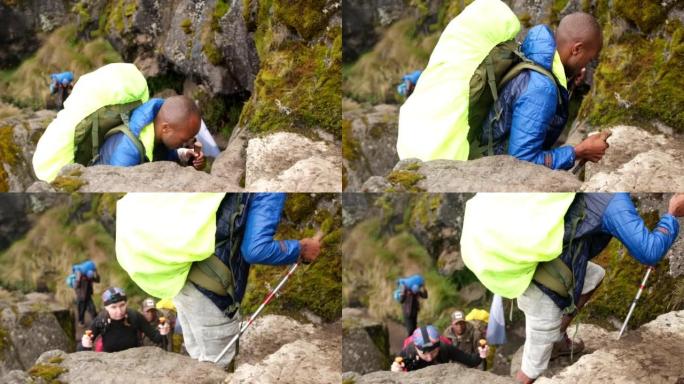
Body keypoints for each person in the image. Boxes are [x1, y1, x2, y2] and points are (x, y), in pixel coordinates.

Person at [115, 193, 323, 370]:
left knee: (198, 358)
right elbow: (256, 250)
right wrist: (300, 249)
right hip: (210, 290)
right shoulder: (269, 185)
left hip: (179, 278)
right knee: (217, 367)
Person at [514, 193, 684, 383]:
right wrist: (671, 213)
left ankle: (556, 340)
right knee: (530, 370)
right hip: (544, 288)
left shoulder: (595, 188)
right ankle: (544, 347)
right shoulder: (615, 201)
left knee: (594, 275)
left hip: (552, 264)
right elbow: (649, 252)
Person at [480, 12, 609, 170]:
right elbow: (521, 163)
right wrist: (578, 152)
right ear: (576, 49)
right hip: (494, 171)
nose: (584, 67)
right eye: (588, 60)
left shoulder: (535, 54)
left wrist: (567, 82)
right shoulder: (542, 89)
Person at [96, 95, 205, 170]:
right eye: (183, 140)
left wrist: (183, 154)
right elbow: (117, 185)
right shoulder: (129, 149)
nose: (186, 143)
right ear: (165, 128)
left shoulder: (156, 127)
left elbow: (160, 152)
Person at [80, 287, 170, 353]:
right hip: (110, 362)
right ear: (106, 308)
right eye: (113, 307)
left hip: (134, 360)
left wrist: (163, 332)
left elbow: (156, 338)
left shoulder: (134, 316)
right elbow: (81, 348)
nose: (119, 311)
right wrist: (85, 344)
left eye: (122, 305)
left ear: (126, 303)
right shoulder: (101, 320)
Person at [391, 325, 485, 372]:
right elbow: (396, 370)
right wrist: (395, 369)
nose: (430, 358)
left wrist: (482, 353)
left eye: (434, 352)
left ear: (438, 346)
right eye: (424, 353)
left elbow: (471, 361)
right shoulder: (408, 352)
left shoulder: (444, 348)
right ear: (416, 348)